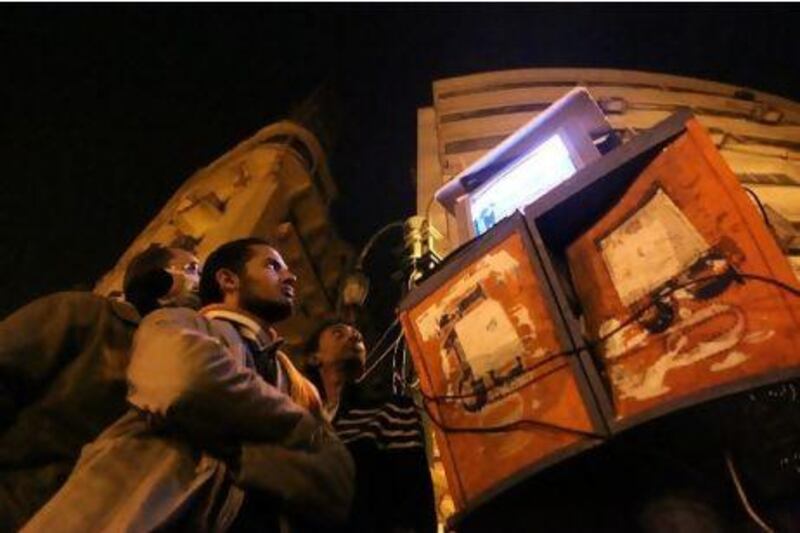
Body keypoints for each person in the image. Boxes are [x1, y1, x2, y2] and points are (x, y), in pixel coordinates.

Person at [24, 237, 354, 532]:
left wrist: (223, 433)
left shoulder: (294, 382)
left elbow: (335, 483)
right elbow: (185, 380)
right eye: (272, 265)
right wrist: (292, 442)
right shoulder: (177, 324)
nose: (291, 275)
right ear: (228, 280)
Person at [0, 244, 201, 531]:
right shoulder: (85, 312)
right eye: (192, 270)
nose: (201, 282)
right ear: (157, 277)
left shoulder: (184, 363)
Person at [304, 320, 438, 533]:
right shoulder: (307, 425)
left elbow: (416, 495)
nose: (355, 337)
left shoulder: (392, 409)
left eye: (357, 335)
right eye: (339, 334)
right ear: (314, 358)